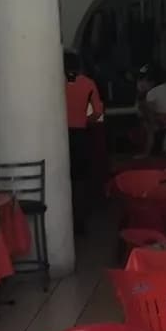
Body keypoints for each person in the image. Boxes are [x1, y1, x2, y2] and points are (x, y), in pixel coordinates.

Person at [64, 51, 103, 233]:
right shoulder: (88, 83)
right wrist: (85, 120)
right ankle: (81, 221)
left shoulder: (55, 83)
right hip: (80, 134)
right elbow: (97, 112)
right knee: (81, 180)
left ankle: (64, 219)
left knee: (64, 178)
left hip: (60, 136)